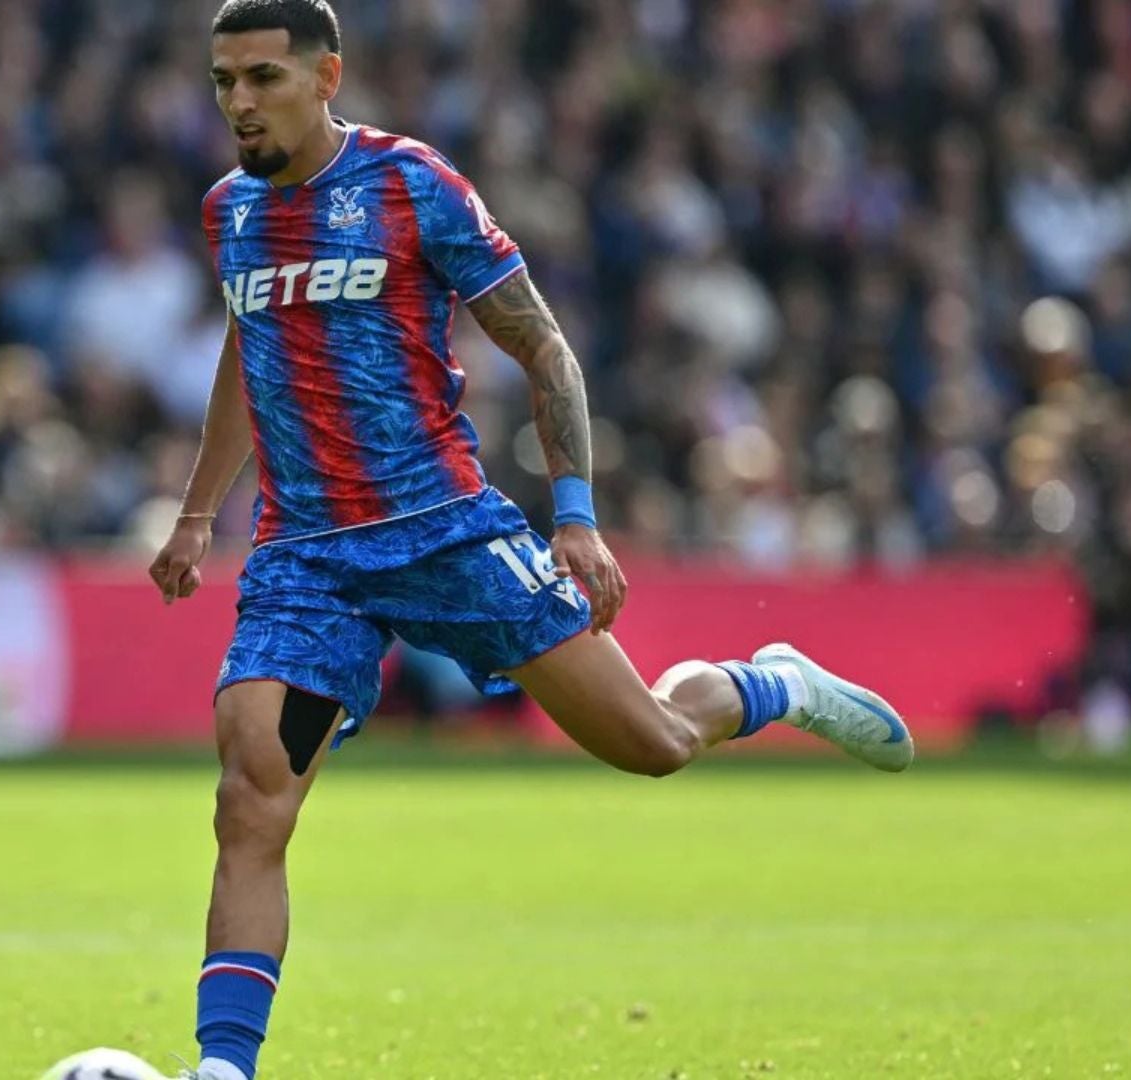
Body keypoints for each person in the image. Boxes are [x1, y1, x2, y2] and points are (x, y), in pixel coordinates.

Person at [144, 4, 915, 1078]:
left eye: (263, 77)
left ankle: (773, 682)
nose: (239, 103)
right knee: (250, 796)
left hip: (445, 532)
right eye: (224, 81)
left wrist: (576, 517)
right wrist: (197, 512)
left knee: (651, 744)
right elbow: (250, 344)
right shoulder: (230, 210)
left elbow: (544, 348)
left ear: (327, 77)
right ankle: (224, 1069)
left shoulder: (411, 184)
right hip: (308, 556)